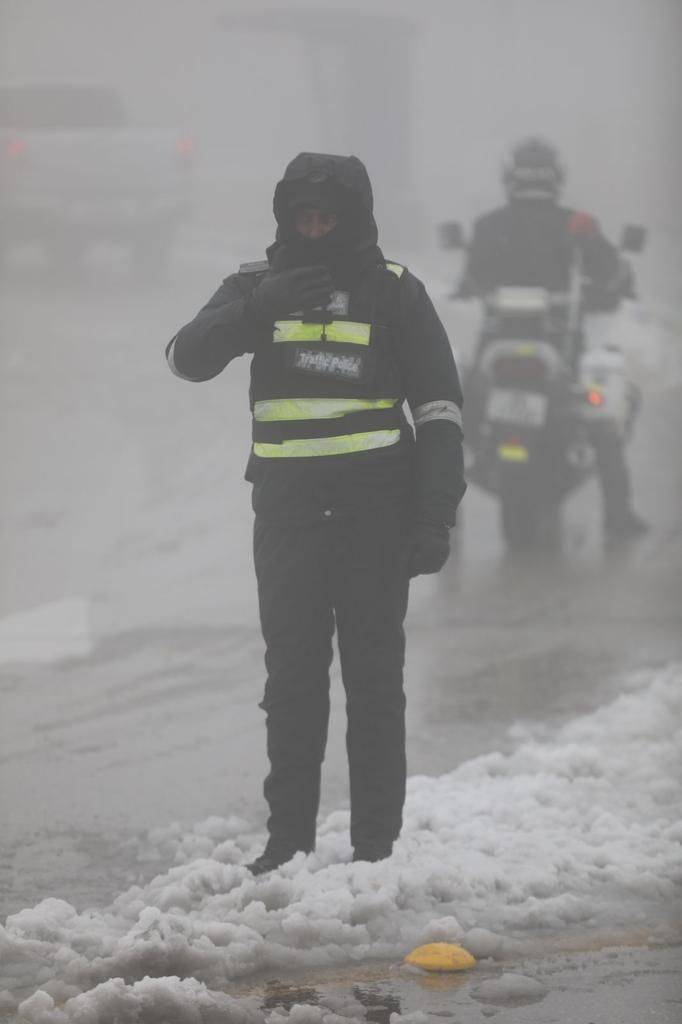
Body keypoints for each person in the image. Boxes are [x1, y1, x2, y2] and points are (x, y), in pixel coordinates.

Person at [166, 153, 466, 873]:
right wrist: (255, 311)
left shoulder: (396, 292)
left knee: (373, 686)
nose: (316, 227)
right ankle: (288, 843)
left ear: (356, 218)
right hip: (288, 519)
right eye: (303, 216)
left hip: (375, 520)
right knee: (292, 685)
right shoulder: (254, 287)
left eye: (329, 216)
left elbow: (441, 411)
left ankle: (374, 850)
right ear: (285, 216)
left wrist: (434, 518)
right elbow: (184, 358)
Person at [458, 136, 647, 538]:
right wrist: (599, 253)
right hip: (558, 345)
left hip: (498, 345)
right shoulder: (575, 223)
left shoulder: (488, 226)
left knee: (456, 409)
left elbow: (470, 279)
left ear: (510, 176)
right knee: (601, 409)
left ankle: (440, 519)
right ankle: (618, 514)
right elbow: (612, 275)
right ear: (556, 176)